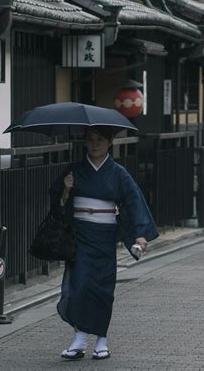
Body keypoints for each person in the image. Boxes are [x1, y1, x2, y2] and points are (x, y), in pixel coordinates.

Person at [49, 125, 158, 361]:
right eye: (90, 140)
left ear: (110, 143)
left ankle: (101, 340)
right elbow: (55, 199)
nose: (94, 144)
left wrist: (140, 234)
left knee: (102, 289)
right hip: (79, 235)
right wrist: (66, 191)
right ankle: (79, 338)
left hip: (104, 236)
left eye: (100, 140)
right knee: (78, 286)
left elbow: (133, 201)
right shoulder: (74, 171)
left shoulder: (118, 173)